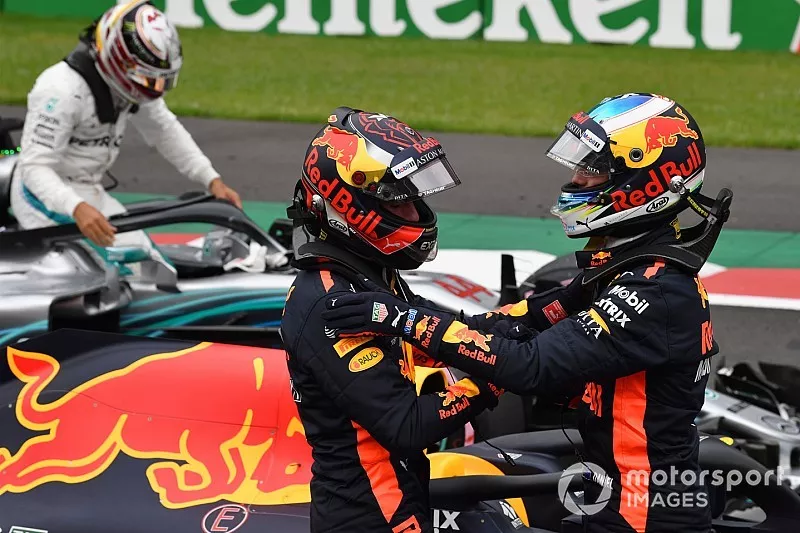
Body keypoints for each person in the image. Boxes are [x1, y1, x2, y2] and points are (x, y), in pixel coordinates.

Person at [321, 94, 731, 533]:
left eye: (592, 171)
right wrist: (411, 311)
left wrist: (403, 320)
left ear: (648, 182)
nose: (576, 179)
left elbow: (530, 367)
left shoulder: (655, 290)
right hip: (616, 501)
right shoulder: (630, 267)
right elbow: (531, 318)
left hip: (644, 517)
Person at [279, 106, 598, 533]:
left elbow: (457, 330)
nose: (416, 212)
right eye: (401, 202)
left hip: (404, 499)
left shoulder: (370, 275)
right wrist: (500, 376)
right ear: (349, 207)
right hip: (368, 516)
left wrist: (565, 300)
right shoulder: (328, 303)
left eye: (415, 197)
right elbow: (406, 425)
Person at [10, 0, 240, 255]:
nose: (154, 88)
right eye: (146, 77)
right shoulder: (59, 91)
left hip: (87, 191)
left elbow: (165, 130)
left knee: (145, 259)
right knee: (115, 269)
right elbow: (34, 168)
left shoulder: (130, 87)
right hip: (40, 199)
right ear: (118, 59)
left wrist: (211, 179)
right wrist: (76, 207)